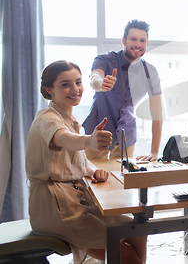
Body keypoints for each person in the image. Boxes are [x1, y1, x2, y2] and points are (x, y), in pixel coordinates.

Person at [26, 60, 147, 264]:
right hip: (54, 207)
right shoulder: (47, 119)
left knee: (138, 230)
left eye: (78, 82)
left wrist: (93, 170)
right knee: (126, 257)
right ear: (49, 89)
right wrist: (89, 141)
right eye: (65, 84)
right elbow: (63, 138)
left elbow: (77, 160)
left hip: (75, 200)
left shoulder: (69, 119)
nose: (75, 89)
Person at [83, 19, 163, 161]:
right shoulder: (105, 60)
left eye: (142, 40)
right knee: (92, 178)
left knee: (122, 180)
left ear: (147, 44)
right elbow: (94, 78)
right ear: (124, 41)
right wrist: (101, 84)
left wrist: (154, 151)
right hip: (98, 132)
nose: (138, 44)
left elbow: (157, 114)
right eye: (133, 39)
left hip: (127, 136)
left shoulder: (151, 72)